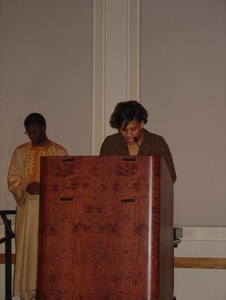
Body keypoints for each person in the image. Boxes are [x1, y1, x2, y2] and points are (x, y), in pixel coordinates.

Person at [8, 113, 68, 300]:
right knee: (28, 252)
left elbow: (67, 182)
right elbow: (12, 179)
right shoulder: (21, 152)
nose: (31, 136)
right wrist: (27, 186)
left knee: (50, 253)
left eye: (34, 132)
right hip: (28, 214)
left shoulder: (59, 152)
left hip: (52, 215)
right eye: (28, 133)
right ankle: (28, 294)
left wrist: (48, 187)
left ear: (43, 128)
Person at [100, 100, 176, 183]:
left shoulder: (157, 142)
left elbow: (171, 176)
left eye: (133, 129)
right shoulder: (110, 143)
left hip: (149, 194)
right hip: (116, 194)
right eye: (123, 130)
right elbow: (101, 174)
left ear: (142, 124)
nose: (128, 134)